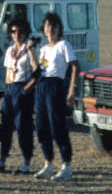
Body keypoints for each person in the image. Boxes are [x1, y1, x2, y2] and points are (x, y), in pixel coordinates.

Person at [33, 11, 79, 181]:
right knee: (41, 125)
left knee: (57, 125)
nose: (51, 29)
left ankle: (66, 165)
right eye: (48, 26)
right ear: (44, 29)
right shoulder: (43, 49)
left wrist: (72, 89)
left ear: (59, 28)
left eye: (54, 26)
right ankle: (48, 163)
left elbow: (75, 66)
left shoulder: (63, 45)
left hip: (56, 85)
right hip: (42, 85)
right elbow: (39, 70)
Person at [0, 17, 38, 173]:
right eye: (13, 31)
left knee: (23, 126)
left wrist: (27, 89)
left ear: (26, 32)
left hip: (23, 87)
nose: (17, 34)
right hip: (10, 89)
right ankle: (2, 159)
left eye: (20, 31)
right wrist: (5, 91)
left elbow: (37, 71)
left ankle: (26, 162)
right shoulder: (10, 50)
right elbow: (7, 71)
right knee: (5, 126)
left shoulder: (30, 49)